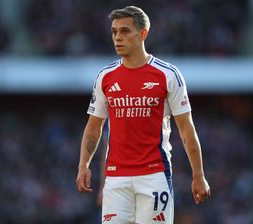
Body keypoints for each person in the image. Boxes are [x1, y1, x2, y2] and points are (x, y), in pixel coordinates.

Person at [76, 5, 211, 224]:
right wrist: (84, 165)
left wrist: (198, 175)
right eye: (114, 32)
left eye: (125, 31)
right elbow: (94, 127)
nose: (118, 37)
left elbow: (186, 128)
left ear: (143, 34)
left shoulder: (168, 75)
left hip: (154, 175)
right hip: (116, 178)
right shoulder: (105, 77)